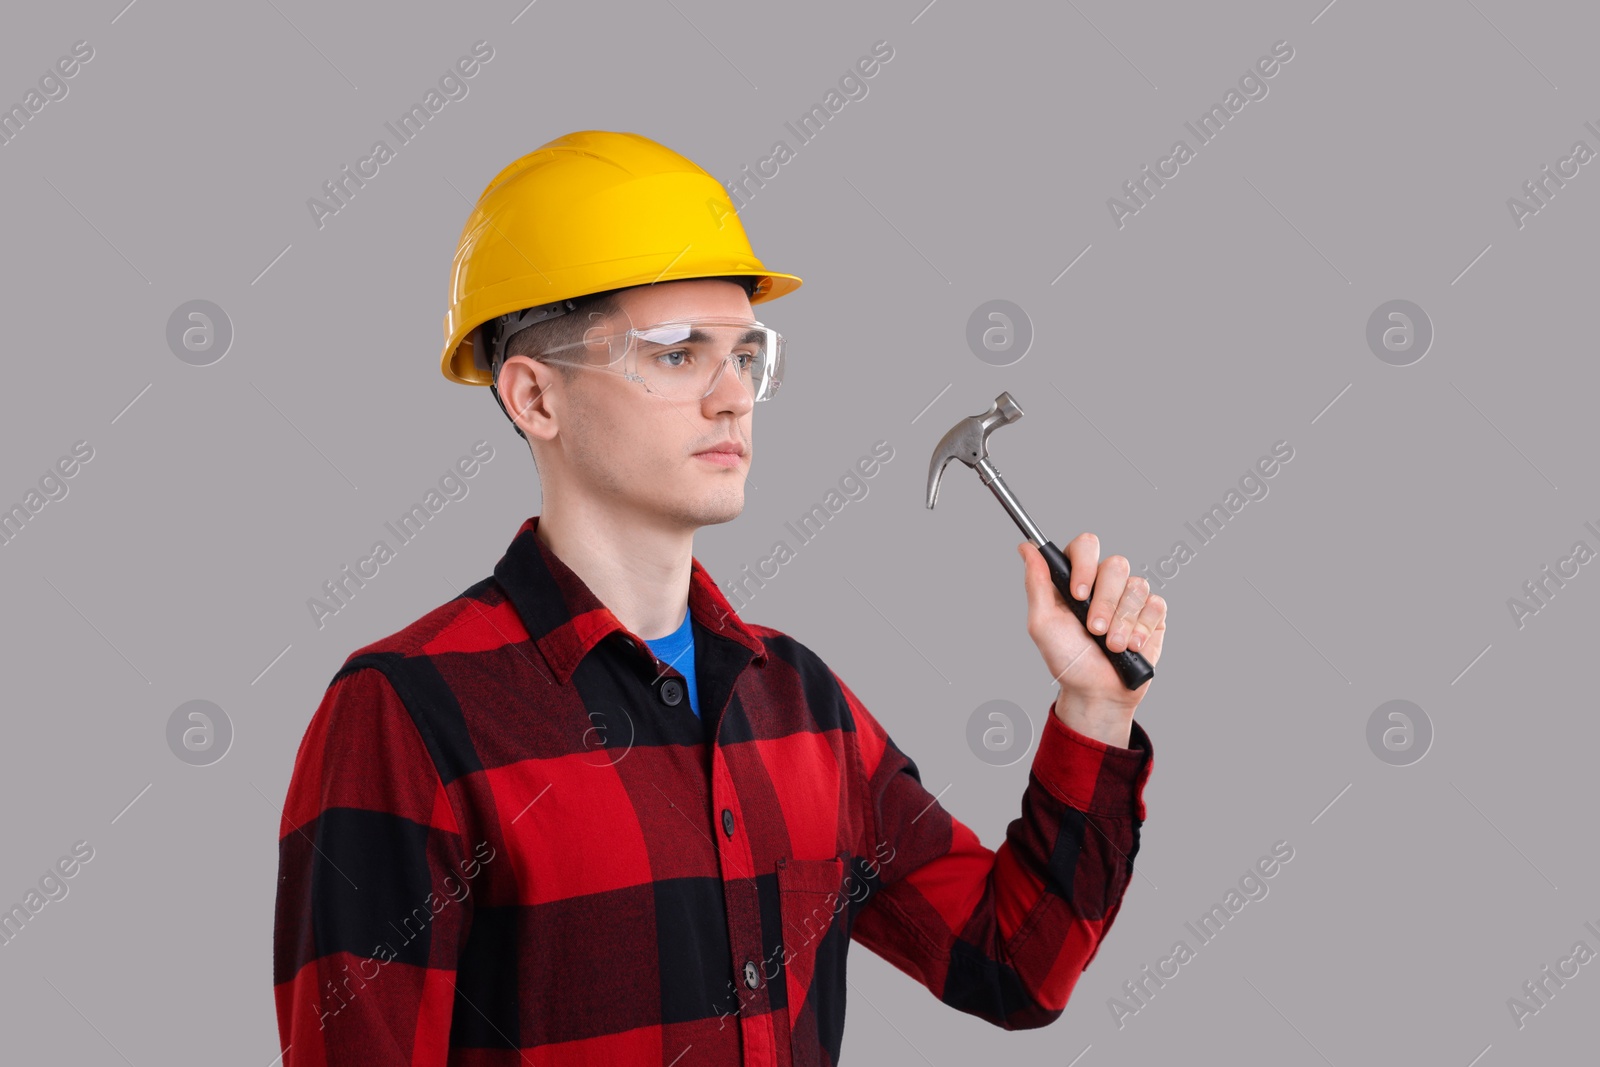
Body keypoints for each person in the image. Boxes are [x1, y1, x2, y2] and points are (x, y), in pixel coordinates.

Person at [272, 129, 1165, 1066]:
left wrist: (1093, 712)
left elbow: (1012, 967)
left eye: (746, 355)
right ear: (534, 398)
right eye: (674, 354)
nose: (732, 395)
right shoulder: (405, 716)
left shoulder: (801, 703)